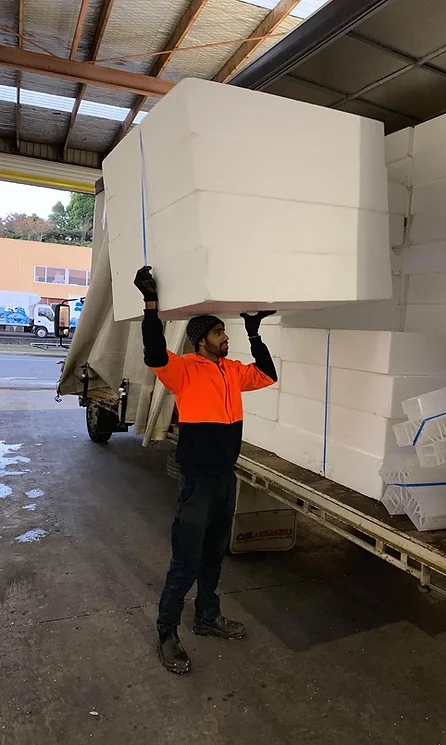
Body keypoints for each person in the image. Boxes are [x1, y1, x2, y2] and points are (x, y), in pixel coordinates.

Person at [134, 266, 277, 674]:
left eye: (226, 332)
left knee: (215, 553)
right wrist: (151, 305)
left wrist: (253, 333)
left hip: (225, 477)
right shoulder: (185, 371)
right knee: (186, 559)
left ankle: (207, 616)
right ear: (202, 341)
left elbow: (268, 374)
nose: (225, 337)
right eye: (220, 333)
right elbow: (153, 353)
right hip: (197, 480)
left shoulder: (232, 371)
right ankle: (166, 632)